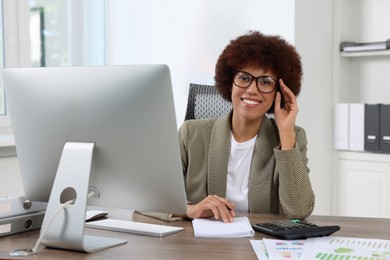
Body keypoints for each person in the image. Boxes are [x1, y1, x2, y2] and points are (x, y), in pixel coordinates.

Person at [176, 31, 315, 223]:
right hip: (202, 246)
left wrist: (285, 132)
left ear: (280, 92)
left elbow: (299, 210)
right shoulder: (191, 134)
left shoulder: (293, 136)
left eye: (265, 82)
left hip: (262, 244)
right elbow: (148, 200)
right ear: (230, 82)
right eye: (244, 78)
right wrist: (190, 210)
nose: (251, 89)